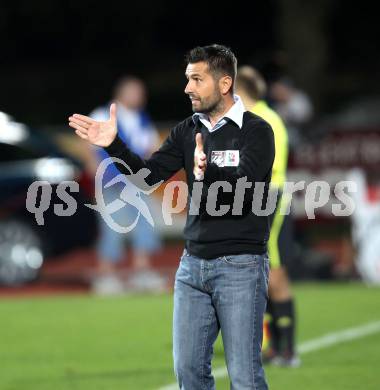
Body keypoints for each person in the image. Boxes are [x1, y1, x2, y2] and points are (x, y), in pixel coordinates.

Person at [69, 44, 274, 389]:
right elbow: (144, 179)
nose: (187, 88)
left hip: (241, 265)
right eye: (187, 79)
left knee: (245, 377)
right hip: (192, 266)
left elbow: (244, 189)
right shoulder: (186, 130)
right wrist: (114, 145)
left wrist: (204, 171)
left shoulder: (257, 131)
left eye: (197, 79)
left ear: (224, 84)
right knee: (189, 374)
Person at [236, 65, 299, 366]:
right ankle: (276, 346)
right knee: (264, 275)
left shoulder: (266, 119)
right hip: (258, 199)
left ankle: (287, 349)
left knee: (274, 274)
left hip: (269, 199)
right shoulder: (252, 118)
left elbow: (264, 166)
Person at [87, 76, 164, 294]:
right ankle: (105, 275)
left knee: (144, 224)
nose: (140, 96)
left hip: (136, 181)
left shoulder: (141, 118)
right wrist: (93, 167)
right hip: (111, 180)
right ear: (122, 93)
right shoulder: (104, 113)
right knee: (112, 226)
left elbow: (152, 145)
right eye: (136, 92)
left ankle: (141, 272)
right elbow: (86, 143)